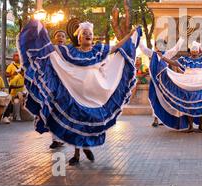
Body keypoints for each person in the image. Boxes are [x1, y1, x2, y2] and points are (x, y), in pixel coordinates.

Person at [18, 19, 142, 165]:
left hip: (95, 95)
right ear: (79, 38)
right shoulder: (69, 51)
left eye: (90, 33)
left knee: (90, 122)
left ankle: (86, 146)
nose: (87, 35)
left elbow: (117, 47)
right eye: (84, 33)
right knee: (76, 124)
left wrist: (130, 34)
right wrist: (39, 32)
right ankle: (77, 154)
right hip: (74, 93)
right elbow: (49, 49)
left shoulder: (98, 51)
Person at [139, 36, 185, 127]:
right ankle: (155, 119)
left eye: (162, 45)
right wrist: (138, 37)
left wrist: (182, 38)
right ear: (155, 46)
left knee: (164, 100)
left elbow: (176, 48)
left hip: (164, 82)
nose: (160, 47)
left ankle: (163, 119)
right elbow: (143, 48)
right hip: (154, 83)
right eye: (158, 45)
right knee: (154, 99)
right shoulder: (152, 54)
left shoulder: (167, 54)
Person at [48, 29, 67, 149]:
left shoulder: (69, 52)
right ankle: (55, 139)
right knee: (53, 112)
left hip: (67, 86)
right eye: (58, 36)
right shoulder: (50, 51)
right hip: (53, 85)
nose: (60, 37)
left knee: (64, 113)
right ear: (54, 39)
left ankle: (62, 138)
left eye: (63, 36)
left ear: (65, 39)